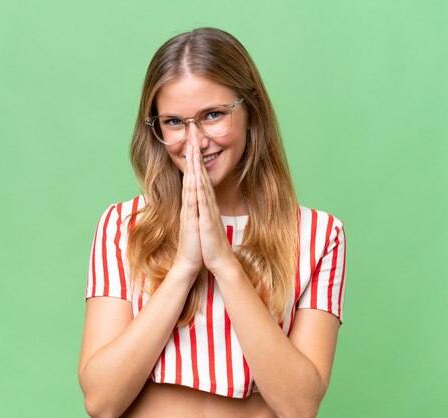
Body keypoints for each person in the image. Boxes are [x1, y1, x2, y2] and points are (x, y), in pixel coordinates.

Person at [78, 27, 347, 418]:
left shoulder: (319, 237)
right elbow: (101, 401)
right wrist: (185, 268)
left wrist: (223, 262)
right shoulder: (122, 226)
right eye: (173, 122)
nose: (195, 142)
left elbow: (300, 405)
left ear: (251, 112)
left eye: (213, 115)